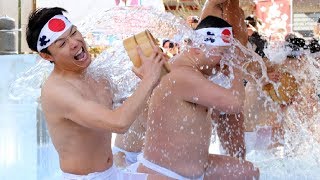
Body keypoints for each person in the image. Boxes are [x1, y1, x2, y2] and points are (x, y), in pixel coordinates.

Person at [26, 7, 168, 179]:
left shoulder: (95, 74)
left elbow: (129, 105)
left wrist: (155, 72)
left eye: (74, 32)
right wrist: (149, 79)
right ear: (47, 56)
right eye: (62, 43)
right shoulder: (57, 91)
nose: (75, 42)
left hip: (112, 172)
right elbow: (119, 123)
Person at [136, 0, 259, 179]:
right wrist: (237, 64)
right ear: (198, 48)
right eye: (222, 55)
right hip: (165, 173)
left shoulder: (193, 68)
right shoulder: (181, 74)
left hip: (195, 166)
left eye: (227, 55)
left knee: (249, 172)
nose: (224, 64)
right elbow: (234, 104)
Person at [199, 0, 248, 159]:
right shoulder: (214, 7)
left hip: (225, 78)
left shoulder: (234, 11)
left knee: (237, 151)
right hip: (215, 78)